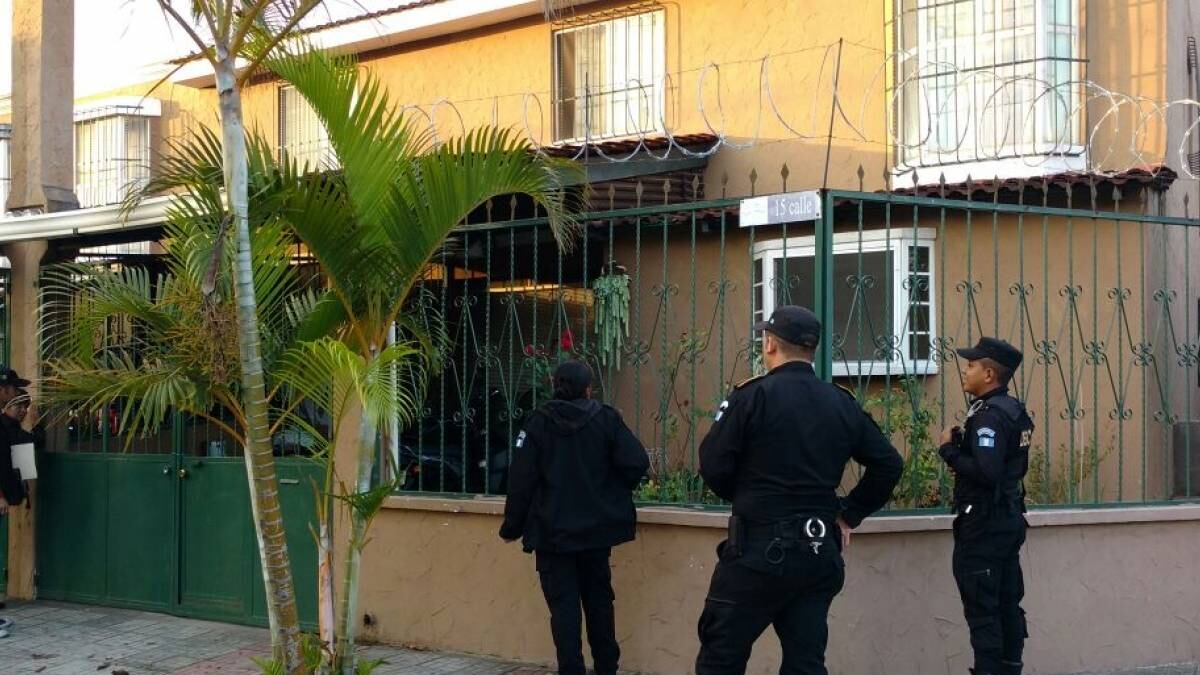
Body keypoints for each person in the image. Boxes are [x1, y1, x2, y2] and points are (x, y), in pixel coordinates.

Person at [694, 305, 904, 675]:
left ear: (770, 344)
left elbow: (713, 466)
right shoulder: (840, 402)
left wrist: (749, 498)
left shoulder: (751, 396)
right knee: (806, 663)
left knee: (720, 658)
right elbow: (889, 464)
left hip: (756, 552)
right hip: (818, 552)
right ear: (812, 349)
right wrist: (848, 514)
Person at [499, 360, 649, 675]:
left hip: (553, 535)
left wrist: (511, 527)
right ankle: (607, 667)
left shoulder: (538, 423)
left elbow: (521, 479)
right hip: (596, 534)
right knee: (599, 603)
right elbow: (636, 461)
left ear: (554, 385)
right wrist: (611, 493)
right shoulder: (606, 419)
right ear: (588, 389)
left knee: (563, 609)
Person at [938, 337, 1033, 675]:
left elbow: (986, 472)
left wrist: (949, 451)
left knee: (983, 611)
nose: (965, 371)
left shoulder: (990, 417)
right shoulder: (1012, 410)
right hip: (1007, 518)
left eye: (971, 365)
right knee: (1007, 604)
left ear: (990, 374)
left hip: (984, 525)